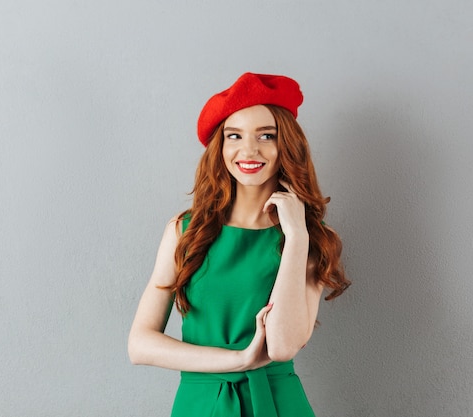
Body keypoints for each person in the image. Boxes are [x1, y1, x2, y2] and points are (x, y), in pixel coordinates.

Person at [128, 72, 350, 416]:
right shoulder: (184, 230)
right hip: (199, 404)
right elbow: (139, 345)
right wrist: (238, 360)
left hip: (276, 404)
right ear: (221, 146)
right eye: (235, 135)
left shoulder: (312, 238)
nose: (249, 150)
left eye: (266, 135)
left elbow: (283, 346)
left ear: (286, 145)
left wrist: (296, 236)